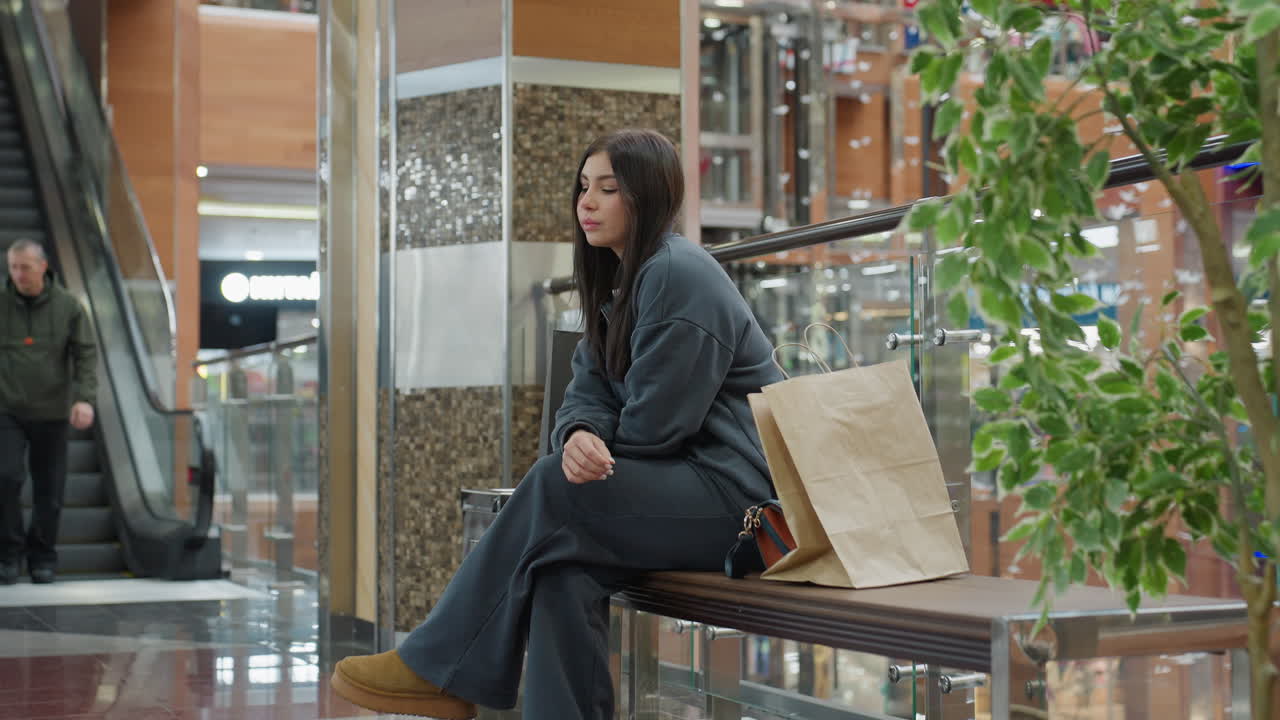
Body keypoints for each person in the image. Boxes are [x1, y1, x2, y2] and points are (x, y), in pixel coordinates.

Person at [331, 129, 782, 719]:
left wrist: (584, 454)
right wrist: (579, 435)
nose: (586, 203)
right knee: (562, 569)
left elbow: (657, 428)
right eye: (583, 187)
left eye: (608, 189)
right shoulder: (620, 281)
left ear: (647, 196)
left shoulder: (678, 273)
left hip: (740, 505)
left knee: (553, 485)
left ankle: (437, 667)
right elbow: (585, 391)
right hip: (680, 489)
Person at [0, 238, 97, 585]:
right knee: (5, 478)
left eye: (25, 267)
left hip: (53, 411)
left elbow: (85, 354)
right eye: (13, 267)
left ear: (43, 266)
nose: (18, 274)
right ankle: (8, 554)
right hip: (6, 408)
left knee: (49, 490)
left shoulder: (68, 306)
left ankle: (42, 556)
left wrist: (84, 398)